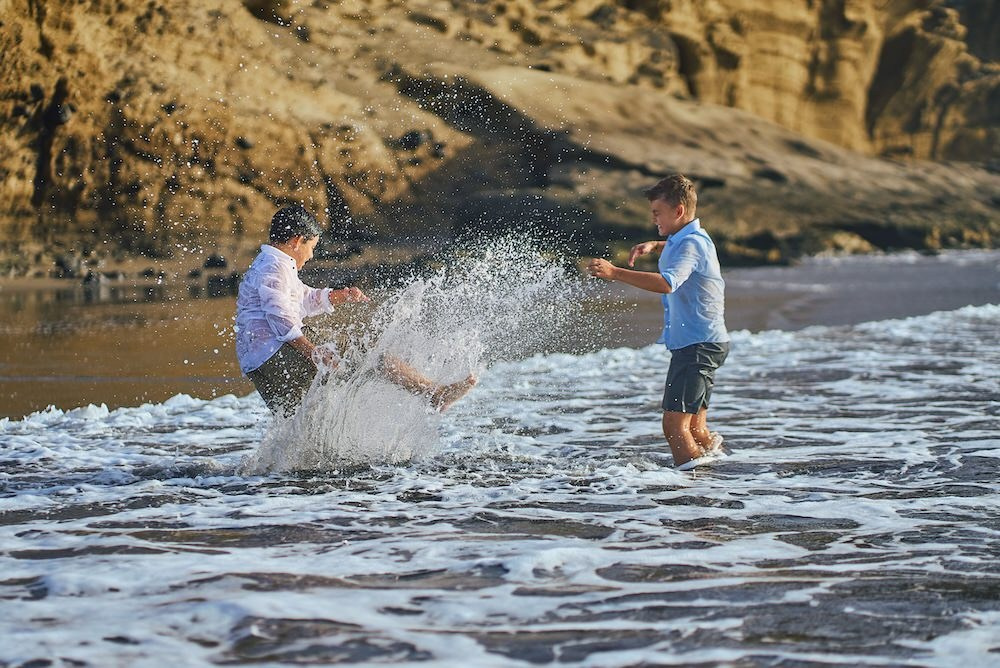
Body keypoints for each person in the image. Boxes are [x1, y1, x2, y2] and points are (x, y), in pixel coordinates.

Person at [235, 203, 476, 418]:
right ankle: (434, 394)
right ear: (298, 241)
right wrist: (314, 352)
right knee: (373, 354)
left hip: (259, 364)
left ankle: (281, 466)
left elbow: (300, 299)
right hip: (277, 353)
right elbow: (279, 316)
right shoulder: (274, 267)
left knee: (303, 419)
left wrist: (338, 295)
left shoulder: (268, 265)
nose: (310, 256)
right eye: (311, 247)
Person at [587, 175, 729, 470]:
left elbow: (668, 283)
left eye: (657, 213)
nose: (653, 219)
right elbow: (682, 248)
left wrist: (615, 273)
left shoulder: (690, 245)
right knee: (695, 429)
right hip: (706, 341)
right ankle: (722, 475)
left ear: (677, 211)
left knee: (674, 427)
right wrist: (655, 244)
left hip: (697, 345)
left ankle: (693, 494)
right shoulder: (691, 239)